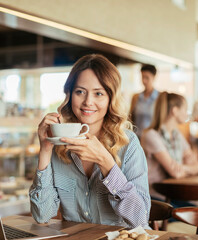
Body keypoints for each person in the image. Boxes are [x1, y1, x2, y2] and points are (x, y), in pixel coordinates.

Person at [29, 54, 151, 229]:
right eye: (80, 92)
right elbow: (42, 215)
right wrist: (45, 150)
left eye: (98, 93)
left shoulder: (128, 144)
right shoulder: (59, 144)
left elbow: (140, 219)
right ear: (70, 95)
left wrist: (107, 163)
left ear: (110, 98)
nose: (88, 102)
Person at [141, 92, 198, 204]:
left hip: (172, 194)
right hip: (154, 198)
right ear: (175, 110)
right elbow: (174, 173)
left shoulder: (177, 135)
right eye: (185, 109)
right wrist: (187, 168)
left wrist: (182, 167)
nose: (187, 113)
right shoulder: (151, 135)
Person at [129, 64, 160, 138]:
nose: (144, 81)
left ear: (154, 77)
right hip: (137, 137)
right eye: (142, 77)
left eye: (147, 78)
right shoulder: (136, 97)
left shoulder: (160, 98)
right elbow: (131, 118)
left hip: (153, 139)